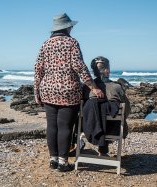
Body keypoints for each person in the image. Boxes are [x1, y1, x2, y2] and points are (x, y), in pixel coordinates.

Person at [34, 13, 104, 172]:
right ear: (67, 27)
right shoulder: (71, 42)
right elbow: (79, 66)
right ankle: (63, 163)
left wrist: (36, 91)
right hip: (68, 90)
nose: (72, 28)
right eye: (71, 26)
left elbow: (38, 69)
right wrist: (94, 87)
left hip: (48, 89)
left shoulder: (45, 44)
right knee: (65, 126)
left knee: (52, 126)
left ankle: (53, 160)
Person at [82, 56, 131, 156]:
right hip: (114, 129)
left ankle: (76, 144)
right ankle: (103, 150)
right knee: (111, 115)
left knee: (94, 113)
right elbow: (127, 110)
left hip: (89, 128)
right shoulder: (117, 87)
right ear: (107, 70)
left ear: (93, 71)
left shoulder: (87, 88)